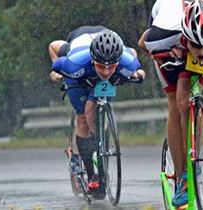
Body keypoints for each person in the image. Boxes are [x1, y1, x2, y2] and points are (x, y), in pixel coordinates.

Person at [138, 0, 203, 207]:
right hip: (170, 45)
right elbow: (143, 45)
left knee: (189, 95)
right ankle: (180, 177)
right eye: (196, 45)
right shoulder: (163, 33)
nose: (202, 52)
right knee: (176, 103)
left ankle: (194, 141)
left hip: (194, 40)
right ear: (186, 37)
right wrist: (168, 54)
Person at [48, 26, 145, 196]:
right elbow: (53, 46)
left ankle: (101, 157)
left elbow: (133, 56)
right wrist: (55, 73)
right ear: (93, 60)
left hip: (101, 71)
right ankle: (88, 169)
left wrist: (137, 72)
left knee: (92, 110)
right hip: (80, 74)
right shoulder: (73, 62)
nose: (106, 72)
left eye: (111, 67)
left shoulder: (125, 61)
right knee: (82, 118)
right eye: (101, 66)